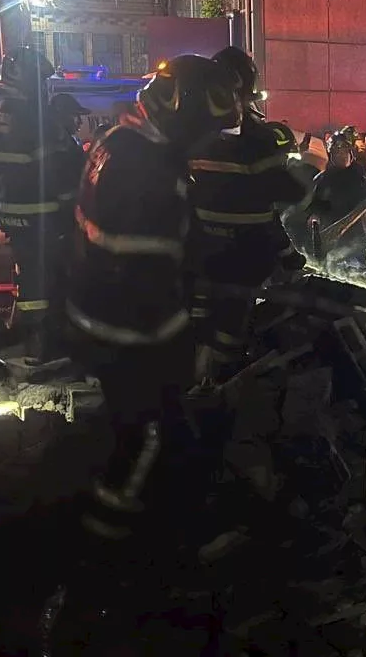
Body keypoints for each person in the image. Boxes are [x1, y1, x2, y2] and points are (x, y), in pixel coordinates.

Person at [66, 54, 239, 546]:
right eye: (207, 127)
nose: (207, 141)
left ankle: (165, 520)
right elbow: (151, 267)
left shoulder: (119, 140)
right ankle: (110, 539)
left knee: (149, 425)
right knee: (147, 434)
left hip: (97, 312)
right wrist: (186, 338)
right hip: (132, 329)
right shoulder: (151, 167)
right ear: (181, 111)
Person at [189, 47, 310, 382]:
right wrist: (290, 258)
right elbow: (269, 208)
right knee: (230, 323)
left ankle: (196, 378)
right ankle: (218, 389)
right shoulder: (259, 139)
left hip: (196, 249)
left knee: (200, 318)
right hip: (242, 254)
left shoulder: (189, 135)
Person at [0, 45, 85, 363]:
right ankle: (44, 346)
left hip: (13, 213)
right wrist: (74, 209)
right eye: (41, 81)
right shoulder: (38, 121)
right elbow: (57, 172)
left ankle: (29, 339)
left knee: (28, 277)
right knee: (46, 280)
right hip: (43, 213)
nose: (44, 88)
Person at [312, 134, 366, 228]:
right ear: (330, 155)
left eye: (345, 152)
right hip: (333, 231)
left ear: (351, 153)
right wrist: (315, 217)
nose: (342, 155)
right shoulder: (322, 180)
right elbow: (316, 207)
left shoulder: (362, 175)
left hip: (358, 231)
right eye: (337, 152)